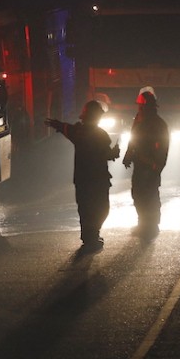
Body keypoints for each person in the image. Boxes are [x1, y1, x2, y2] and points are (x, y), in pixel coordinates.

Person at [45, 100, 121, 253]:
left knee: (85, 208)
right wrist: (115, 152)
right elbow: (107, 154)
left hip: (82, 179)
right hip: (98, 179)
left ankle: (89, 237)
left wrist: (56, 124)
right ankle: (92, 236)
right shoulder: (100, 135)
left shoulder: (78, 131)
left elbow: (66, 128)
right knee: (101, 208)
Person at [122, 88, 169, 239]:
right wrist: (129, 155)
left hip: (150, 165)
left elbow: (162, 148)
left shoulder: (157, 124)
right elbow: (133, 138)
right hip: (142, 164)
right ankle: (144, 223)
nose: (140, 109)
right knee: (139, 194)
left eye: (141, 106)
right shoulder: (140, 120)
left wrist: (156, 165)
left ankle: (151, 225)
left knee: (149, 195)